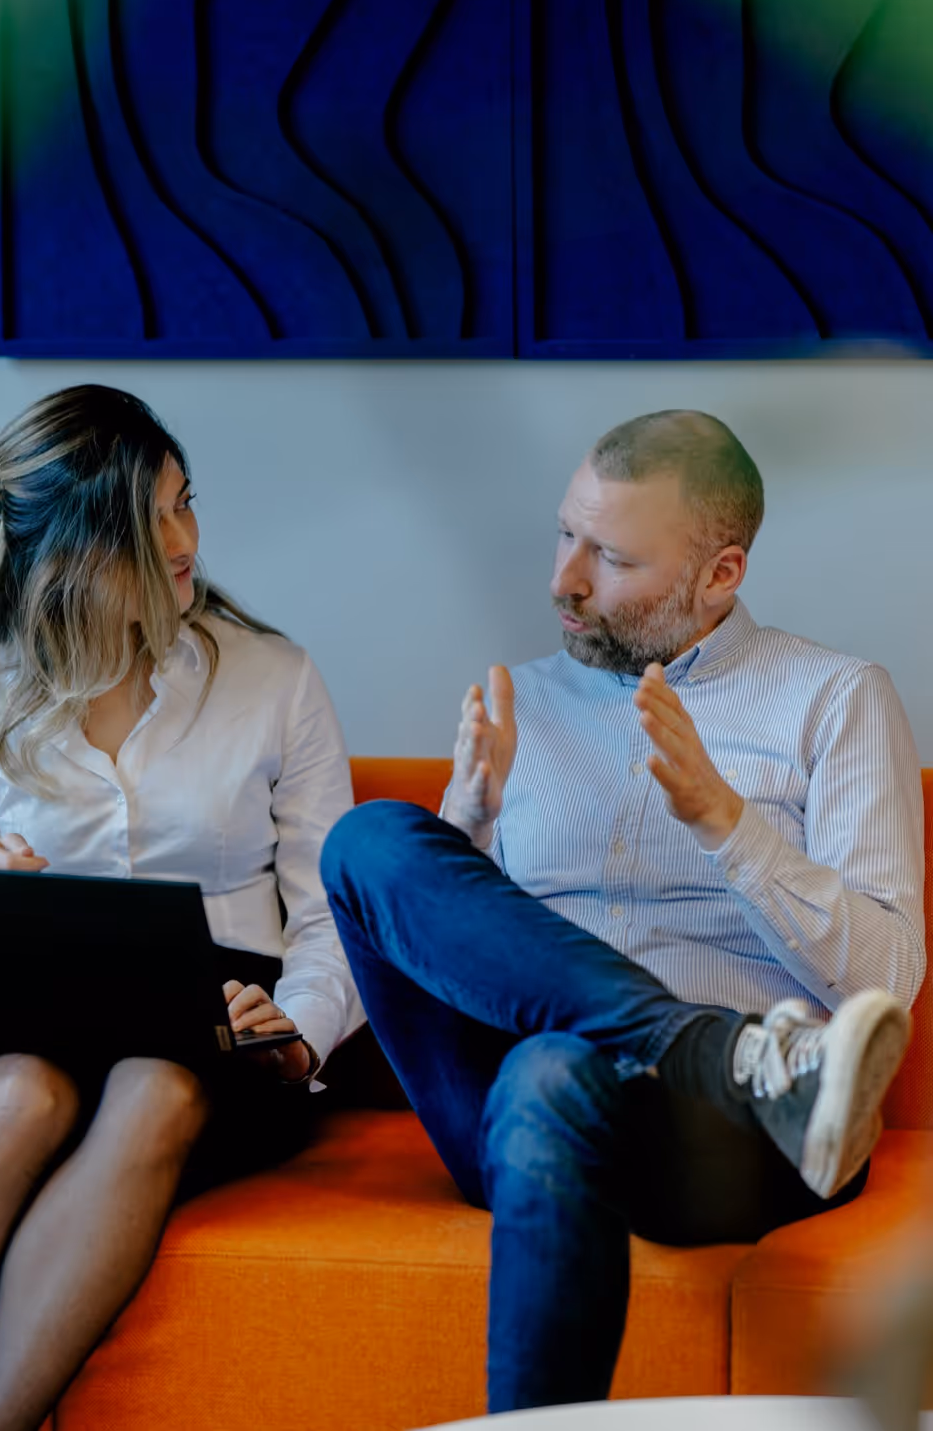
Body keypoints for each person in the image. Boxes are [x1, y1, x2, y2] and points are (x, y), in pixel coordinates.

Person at [321, 409, 924, 1413]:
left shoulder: (834, 700)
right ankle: (713, 1046)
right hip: (506, 1101)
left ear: (720, 573)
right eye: (567, 533)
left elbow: (886, 984)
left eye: (612, 557)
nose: (565, 578)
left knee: (555, 1067)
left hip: (735, 1137)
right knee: (366, 840)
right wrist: (466, 823)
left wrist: (730, 824)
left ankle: (723, 1065)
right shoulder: (528, 701)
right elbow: (470, 954)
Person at [0, 384, 360, 1431]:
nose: (186, 538)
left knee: (154, 1080)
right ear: (65, 553)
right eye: (149, 520)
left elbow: (334, 908)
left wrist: (302, 1026)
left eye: (186, 502)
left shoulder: (273, 679)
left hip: (217, 1037)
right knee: (26, 1091)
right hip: (5, 1039)